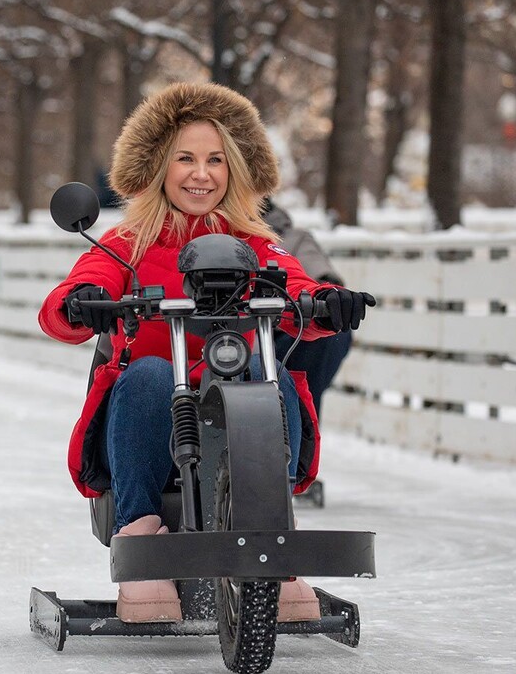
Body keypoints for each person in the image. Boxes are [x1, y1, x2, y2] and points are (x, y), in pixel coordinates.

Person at [37, 82, 373, 625]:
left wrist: (325, 303)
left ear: (235, 168)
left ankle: (276, 541)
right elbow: (68, 299)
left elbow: (295, 286)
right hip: (149, 410)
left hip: (235, 404)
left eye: (216, 159)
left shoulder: (257, 242)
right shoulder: (126, 243)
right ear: (157, 166)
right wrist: (82, 302)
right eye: (185, 158)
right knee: (149, 373)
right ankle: (140, 536)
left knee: (269, 375)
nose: (202, 173)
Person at [262, 197, 354, 417]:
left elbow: (316, 272)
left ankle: (302, 423)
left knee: (331, 331)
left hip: (281, 339)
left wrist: (326, 295)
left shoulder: (293, 239)